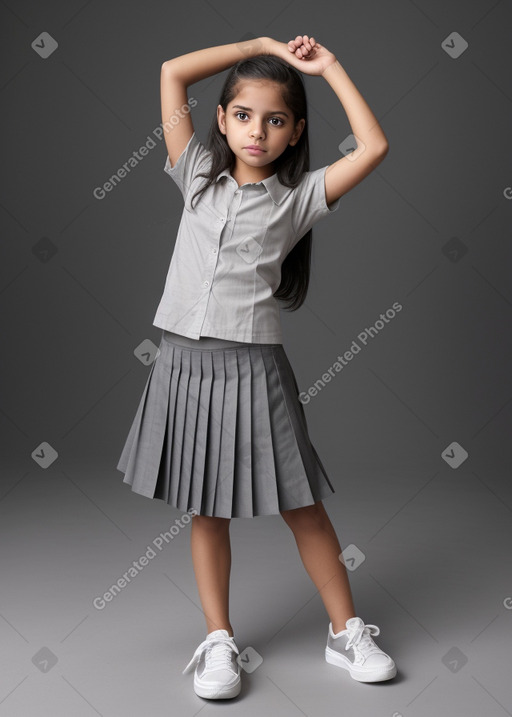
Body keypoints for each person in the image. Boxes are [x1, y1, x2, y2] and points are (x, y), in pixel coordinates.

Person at [116, 33, 396, 700]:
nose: (257, 131)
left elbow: (375, 145)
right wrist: (262, 44)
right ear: (221, 119)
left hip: (254, 369)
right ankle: (219, 640)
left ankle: (346, 631)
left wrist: (327, 66)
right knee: (207, 509)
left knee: (303, 507)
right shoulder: (193, 173)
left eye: (276, 120)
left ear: (296, 131)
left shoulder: (298, 199)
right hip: (184, 364)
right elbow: (172, 69)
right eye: (243, 115)